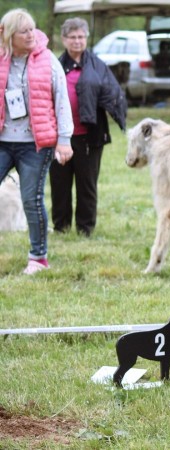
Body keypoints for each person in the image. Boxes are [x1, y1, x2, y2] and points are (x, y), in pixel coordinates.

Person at [0, 8, 73, 275]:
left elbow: (61, 100)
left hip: (35, 144)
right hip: (2, 141)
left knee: (31, 199)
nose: (31, 35)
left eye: (32, 28)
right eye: (24, 31)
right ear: (9, 35)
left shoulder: (47, 60)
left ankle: (38, 257)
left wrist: (64, 139)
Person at [50, 17, 127, 237]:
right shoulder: (55, 66)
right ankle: (61, 227)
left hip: (90, 136)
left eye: (81, 36)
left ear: (86, 38)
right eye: (72, 37)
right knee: (59, 185)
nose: (77, 41)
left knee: (87, 185)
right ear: (64, 39)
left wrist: (118, 114)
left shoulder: (98, 66)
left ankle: (85, 229)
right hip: (60, 136)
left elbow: (114, 93)